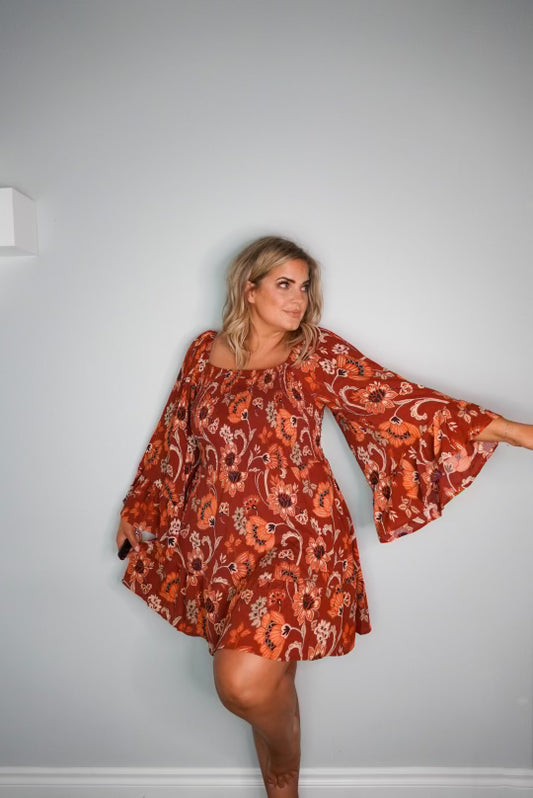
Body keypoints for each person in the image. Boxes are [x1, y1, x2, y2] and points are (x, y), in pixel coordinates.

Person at [115, 235, 532, 797]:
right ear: (249, 289)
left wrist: (514, 431)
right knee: (270, 675)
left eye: (305, 287)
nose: (299, 299)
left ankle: (283, 771)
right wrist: (139, 506)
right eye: (285, 284)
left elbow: (398, 401)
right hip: (219, 541)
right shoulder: (203, 353)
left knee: (243, 684)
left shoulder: (314, 353)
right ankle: (283, 791)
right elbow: (175, 435)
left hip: (300, 538)